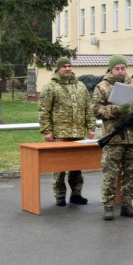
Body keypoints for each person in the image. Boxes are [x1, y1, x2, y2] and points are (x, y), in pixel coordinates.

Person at [92, 54, 133, 221]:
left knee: (131, 172)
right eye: (117, 68)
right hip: (114, 137)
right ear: (111, 69)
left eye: (123, 68)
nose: (120, 71)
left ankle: (127, 204)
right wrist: (116, 110)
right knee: (111, 173)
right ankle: (108, 206)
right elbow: (95, 110)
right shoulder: (102, 87)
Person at [37, 56, 96, 206]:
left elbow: (88, 108)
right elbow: (44, 110)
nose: (68, 69)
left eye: (69, 66)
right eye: (64, 66)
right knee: (59, 166)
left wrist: (91, 127)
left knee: (76, 165)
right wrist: (47, 131)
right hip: (59, 134)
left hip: (77, 133)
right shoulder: (51, 87)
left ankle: (76, 194)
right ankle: (60, 195)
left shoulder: (80, 86)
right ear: (58, 68)